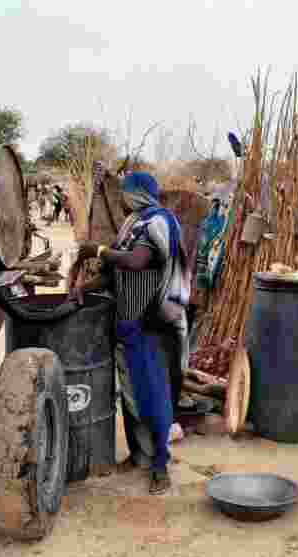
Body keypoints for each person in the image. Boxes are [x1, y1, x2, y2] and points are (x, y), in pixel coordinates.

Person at [69, 172, 190, 495]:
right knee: (132, 395)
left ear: (138, 193)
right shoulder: (133, 223)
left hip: (154, 325)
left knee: (155, 397)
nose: (121, 197)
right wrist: (85, 287)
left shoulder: (160, 222)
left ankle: (160, 466)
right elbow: (116, 274)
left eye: (125, 192)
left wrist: (97, 250)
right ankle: (139, 456)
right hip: (128, 324)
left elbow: (137, 261)